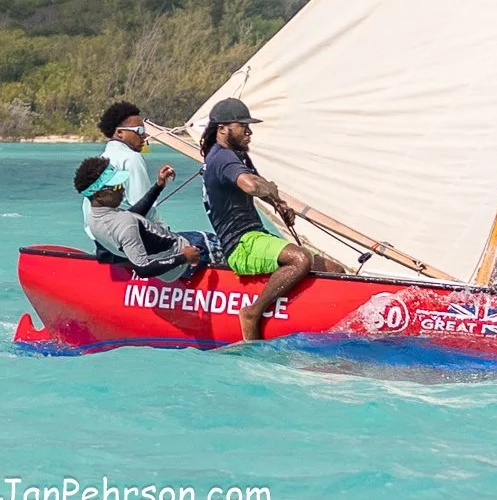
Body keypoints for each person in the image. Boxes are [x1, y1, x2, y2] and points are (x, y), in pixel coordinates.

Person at [200, 97, 343, 341]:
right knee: (300, 259)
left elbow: (258, 184)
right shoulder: (222, 157)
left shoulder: (237, 155)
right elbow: (250, 184)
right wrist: (270, 190)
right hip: (241, 244)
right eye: (242, 126)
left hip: (256, 237)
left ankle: (319, 316)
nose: (249, 131)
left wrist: (279, 203)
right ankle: (252, 313)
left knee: (334, 269)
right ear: (222, 128)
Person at [74, 156, 220, 280]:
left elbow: (132, 215)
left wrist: (158, 186)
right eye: (117, 187)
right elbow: (143, 269)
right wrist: (183, 257)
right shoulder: (125, 225)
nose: (123, 189)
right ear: (99, 195)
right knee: (226, 244)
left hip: (171, 251)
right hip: (184, 255)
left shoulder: (95, 217)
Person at [82, 101, 172, 242]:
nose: (144, 136)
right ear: (119, 133)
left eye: (145, 131)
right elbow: (145, 208)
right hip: (127, 241)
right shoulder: (132, 158)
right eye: (140, 131)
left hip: (101, 240)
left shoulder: (102, 159)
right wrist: (170, 235)